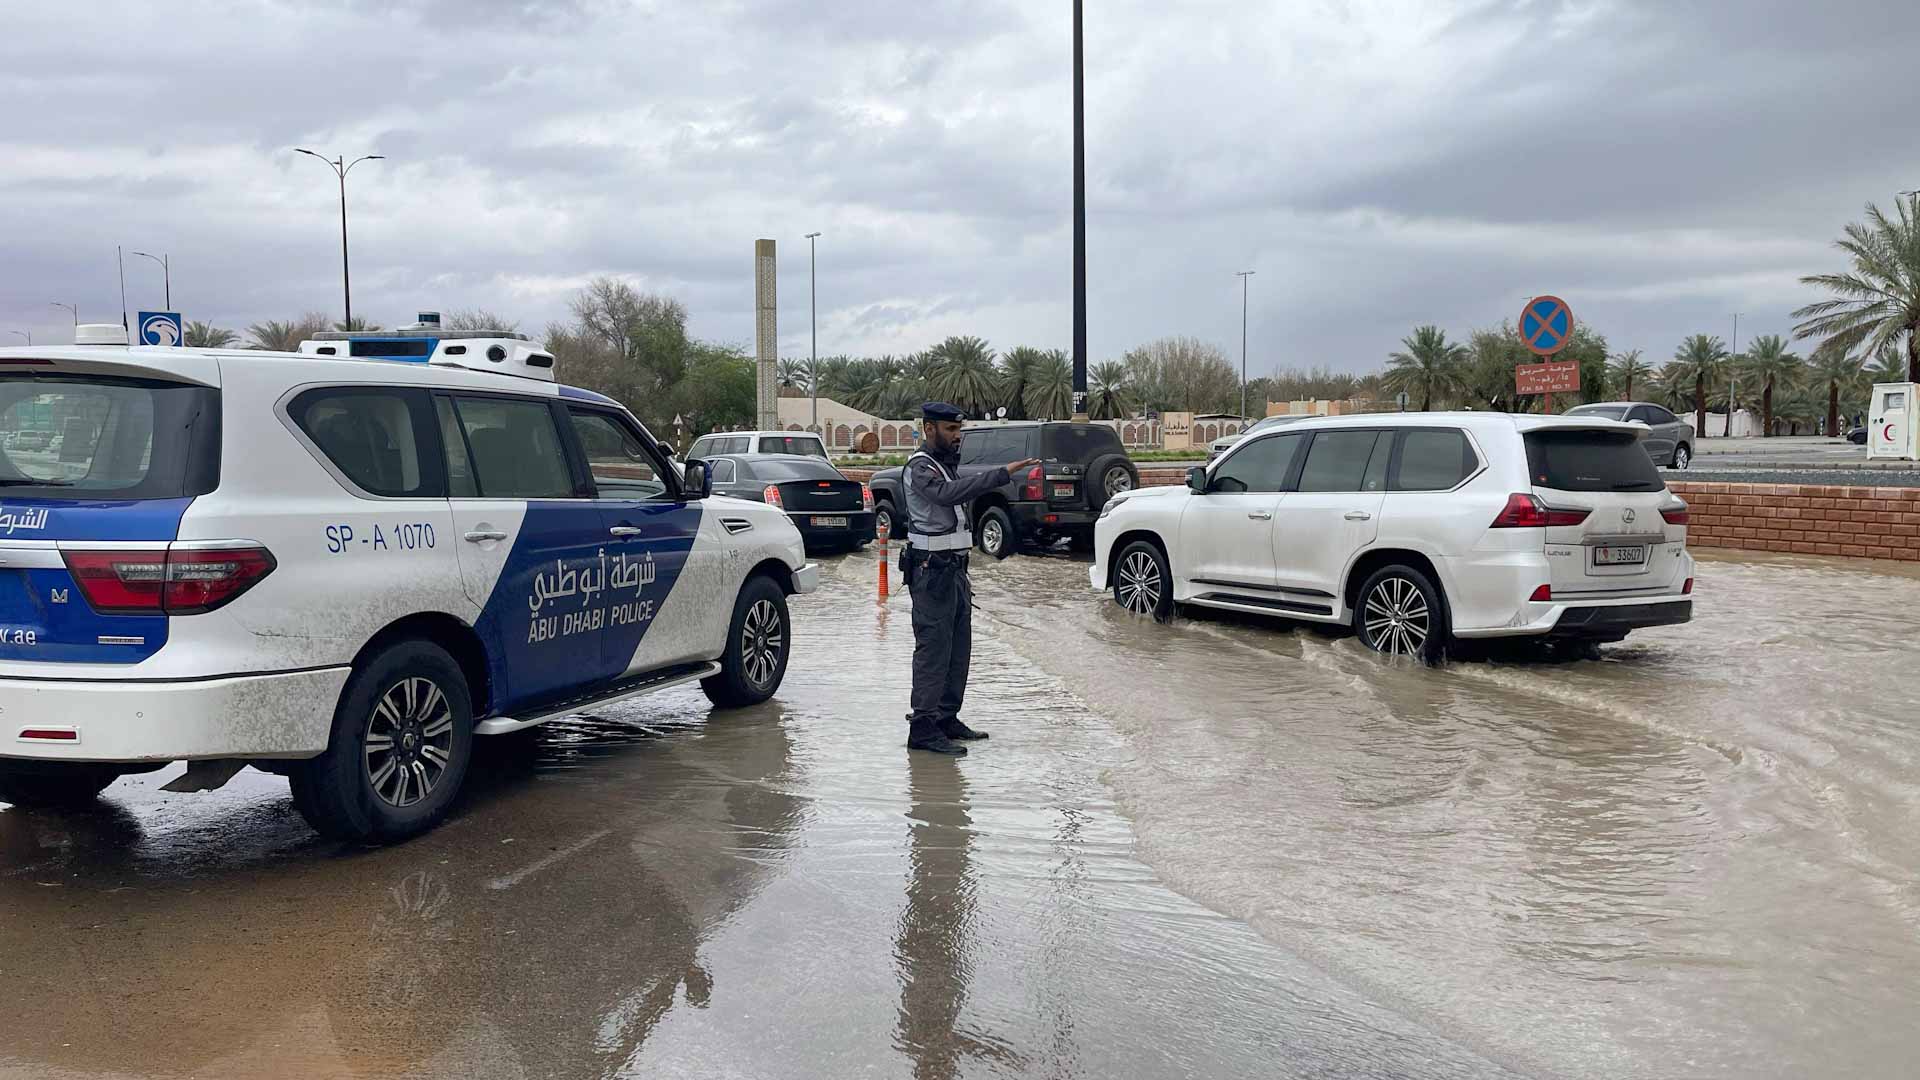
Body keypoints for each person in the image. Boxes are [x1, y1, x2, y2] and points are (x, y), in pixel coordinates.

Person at [900, 402, 1039, 755]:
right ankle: (923, 728)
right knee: (933, 649)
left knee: (958, 649)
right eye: (950, 430)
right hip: (932, 570)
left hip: (954, 569)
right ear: (929, 429)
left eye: (959, 430)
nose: (957, 437)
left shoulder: (945, 466)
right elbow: (949, 495)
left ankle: (946, 718)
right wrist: (1002, 474)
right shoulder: (920, 468)